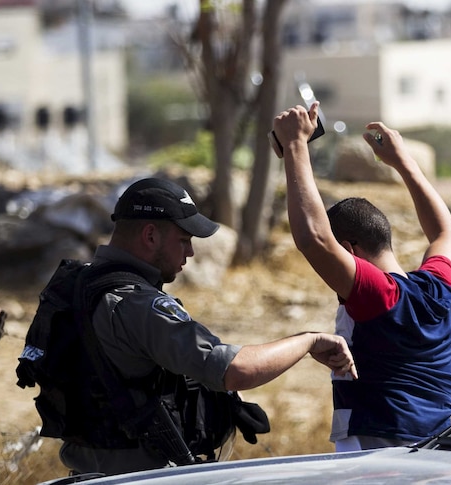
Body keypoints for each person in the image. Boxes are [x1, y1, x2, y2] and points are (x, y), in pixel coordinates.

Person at [58, 176, 357, 475]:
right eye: (184, 240)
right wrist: (309, 341)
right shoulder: (138, 305)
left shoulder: (76, 285)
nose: (189, 253)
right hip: (141, 477)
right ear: (150, 236)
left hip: (86, 473)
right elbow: (235, 370)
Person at [272, 104, 451, 452]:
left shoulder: (379, 296)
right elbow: (444, 232)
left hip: (380, 454)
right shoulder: (439, 291)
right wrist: (403, 163)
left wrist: (296, 146)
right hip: (436, 447)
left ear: (349, 249)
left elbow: (313, 239)